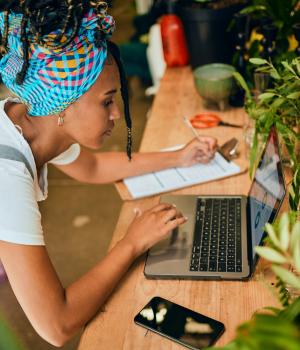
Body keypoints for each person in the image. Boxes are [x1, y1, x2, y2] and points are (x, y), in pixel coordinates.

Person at [0, 0, 218, 346]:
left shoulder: (28, 118)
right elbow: (56, 324)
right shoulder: (6, 176)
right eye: (107, 101)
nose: (117, 113)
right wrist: (131, 244)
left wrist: (179, 157)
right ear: (64, 104)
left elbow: (93, 167)